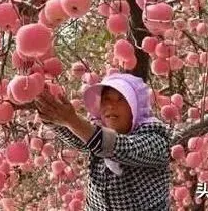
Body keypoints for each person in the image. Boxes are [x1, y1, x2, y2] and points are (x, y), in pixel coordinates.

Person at [35, 73, 172, 211]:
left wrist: (72, 120)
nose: (111, 105)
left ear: (134, 107)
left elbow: (125, 148)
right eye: (106, 99)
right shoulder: (96, 135)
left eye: (121, 99)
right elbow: (80, 139)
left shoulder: (156, 140)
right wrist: (51, 116)